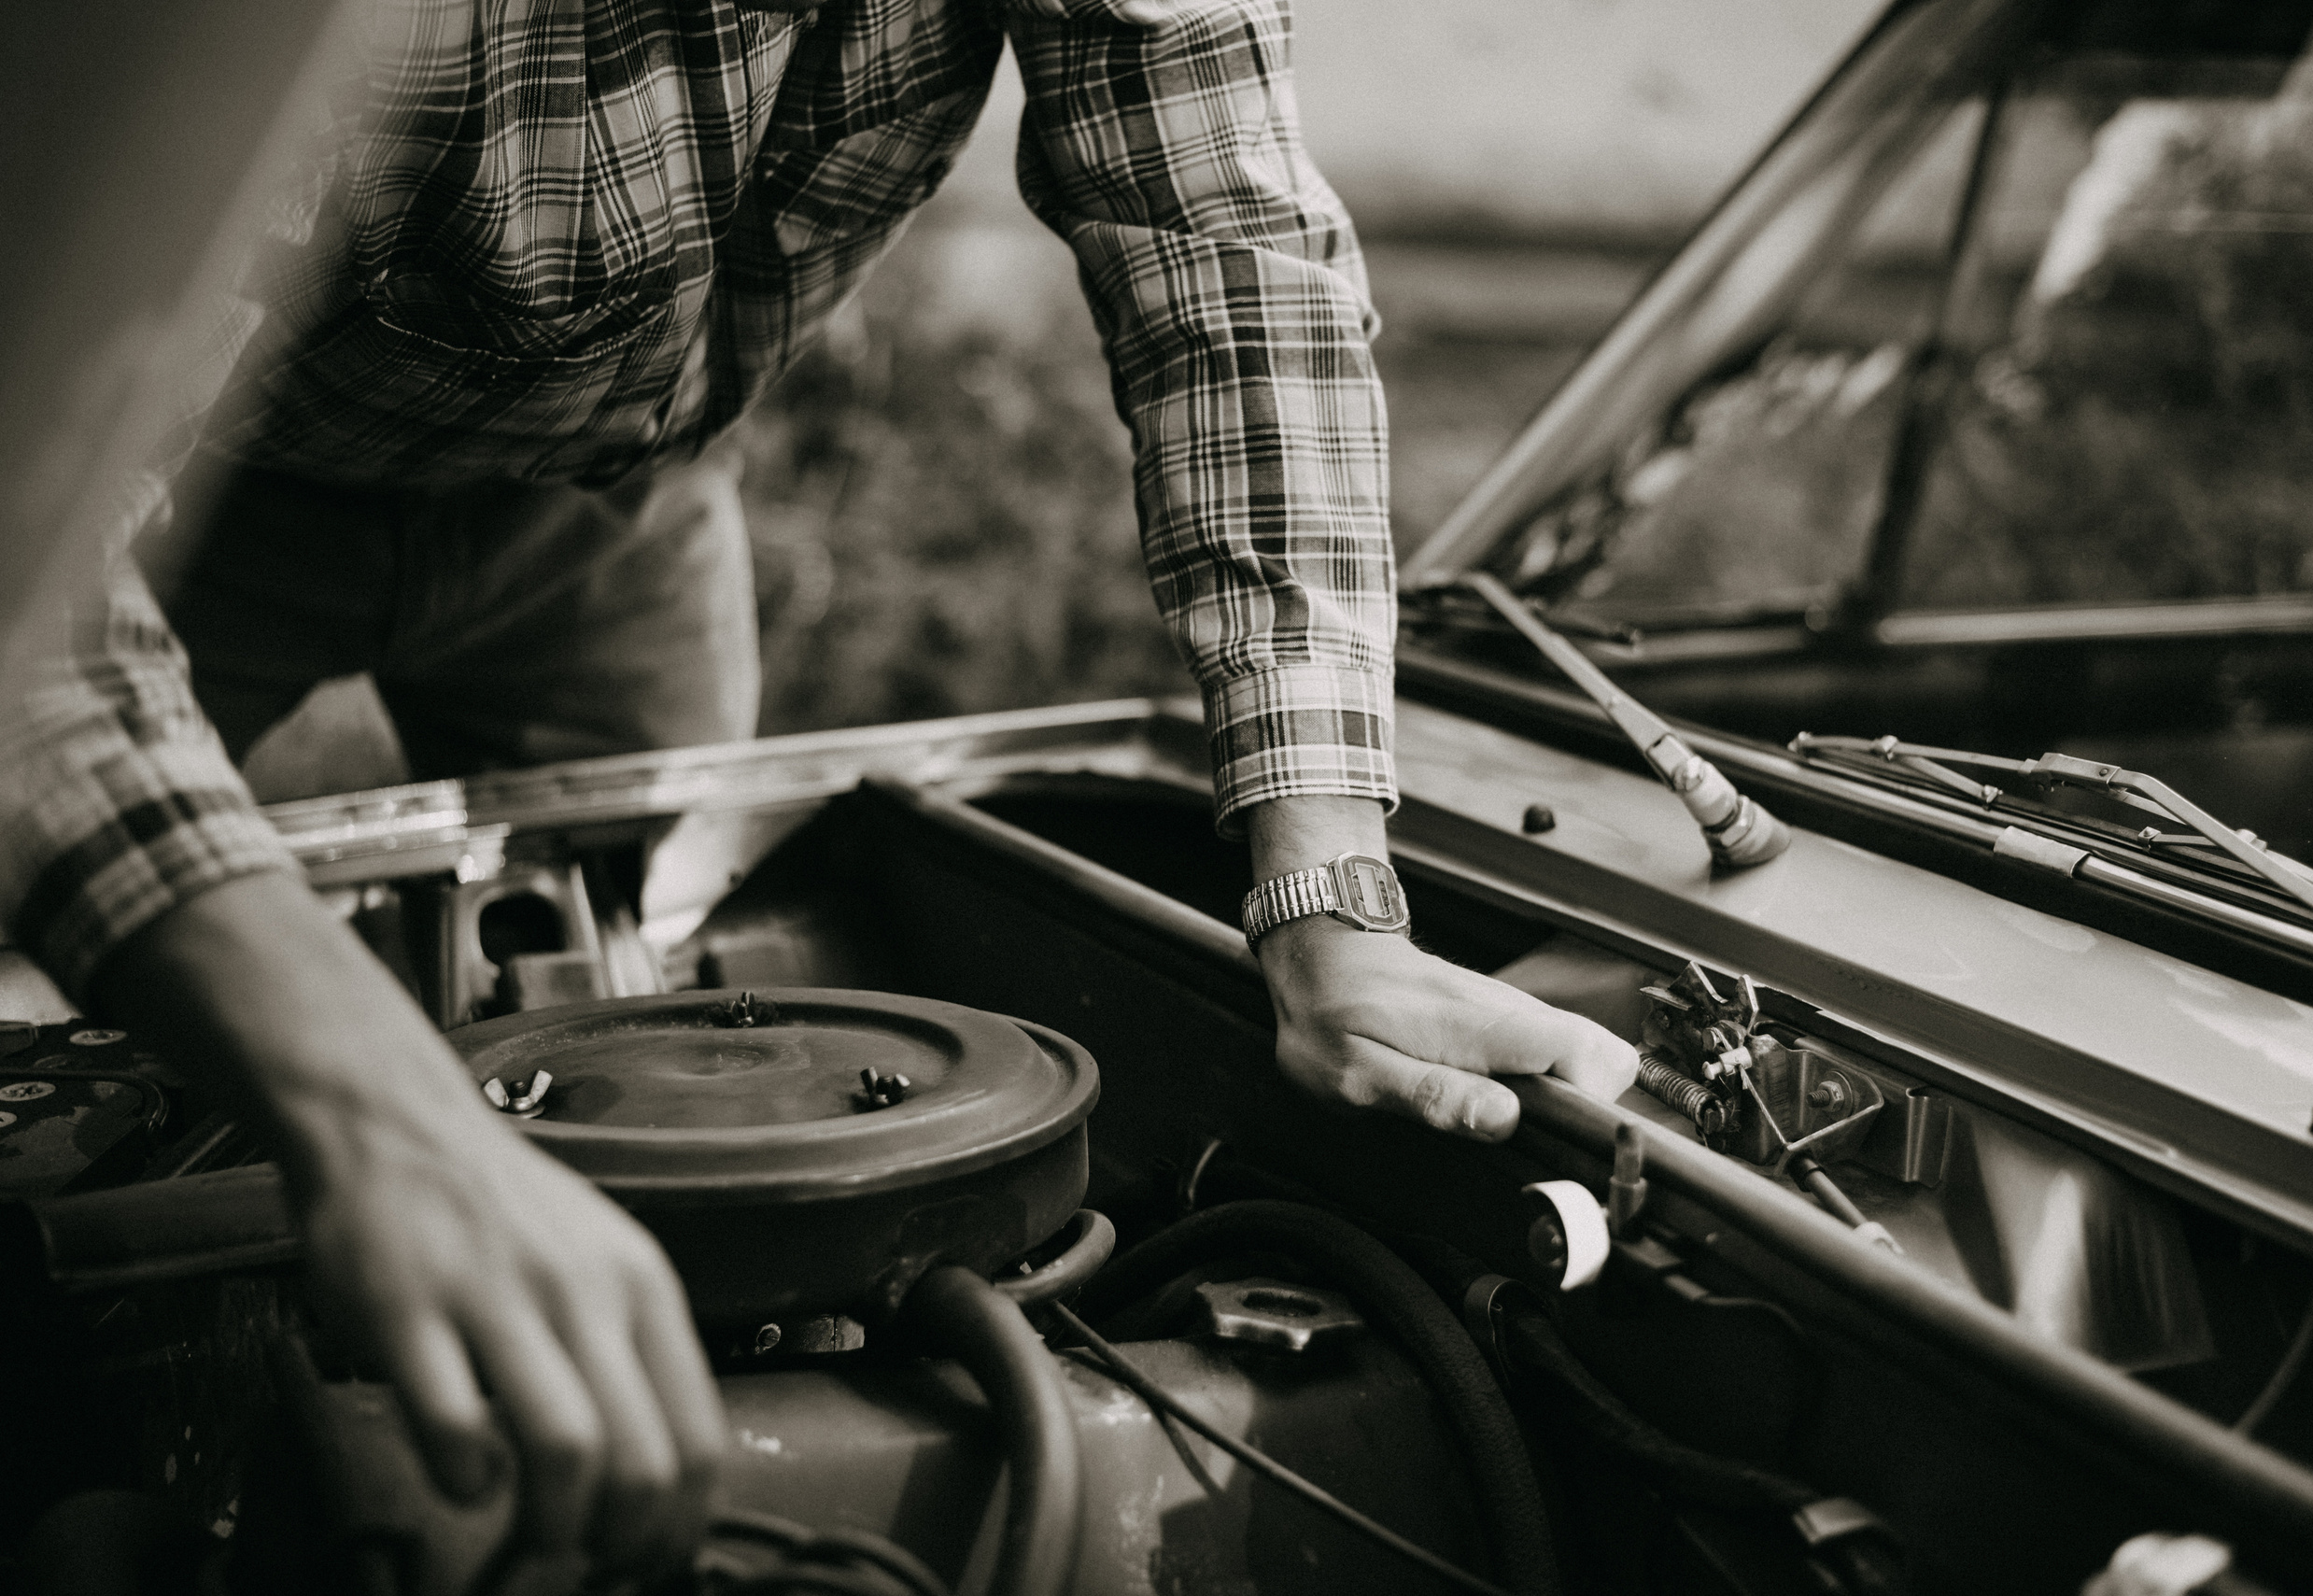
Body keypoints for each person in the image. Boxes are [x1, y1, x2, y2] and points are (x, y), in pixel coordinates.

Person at [0, 0, 1641, 1580]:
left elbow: (1229, 249)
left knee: (655, 960)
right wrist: (379, 1120)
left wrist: (1328, 893)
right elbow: (25, 589)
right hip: (175, 501)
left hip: (618, 513)